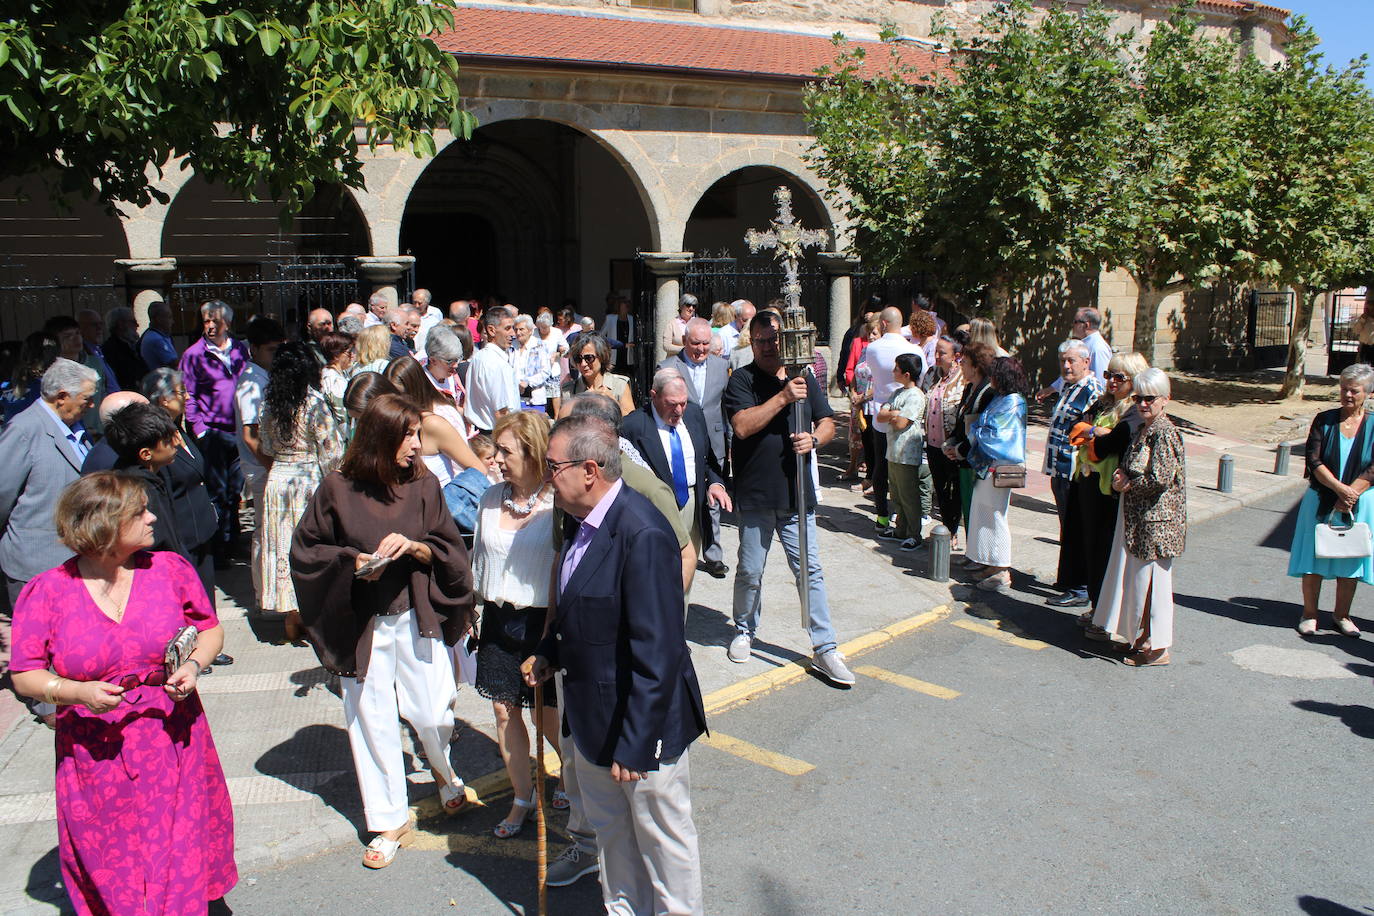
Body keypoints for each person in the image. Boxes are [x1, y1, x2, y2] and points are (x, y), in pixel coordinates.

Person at [10, 472, 236, 914]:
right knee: (114, 858)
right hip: (96, 750)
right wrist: (74, 691)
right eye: (140, 512)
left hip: (173, 735)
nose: (153, 517)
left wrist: (192, 665)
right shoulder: (48, 592)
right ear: (105, 525)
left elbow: (210, 629)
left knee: (178, 849)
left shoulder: (169, 570)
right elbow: (24, 675)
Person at [523, 413, 707, 915]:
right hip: (593, 722)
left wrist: (638, 741)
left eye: (552, 466)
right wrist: (549, 654)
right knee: (613, 838)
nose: (546, 477)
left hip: (639, 729)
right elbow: (589, 613)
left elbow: (659, 651)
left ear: (588, 470)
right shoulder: (580, 522)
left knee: (661, 839)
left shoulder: (642, 532)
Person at [291, 394, 474, 867]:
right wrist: (354, 562)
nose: (417, 444)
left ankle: (443, 770)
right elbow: (308, 552)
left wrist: (414, 548)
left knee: (433, 711)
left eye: (417, 433)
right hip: (363, 622)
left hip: (416, 616)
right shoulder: (337, 487)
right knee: (370, 718)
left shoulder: (425, 483)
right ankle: (388, 818)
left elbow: (448, 549)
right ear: (379, 438)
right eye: (408, 435)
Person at [723, 312, 853, 685]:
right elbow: (742, 426)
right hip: (758, 494)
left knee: (809, 572)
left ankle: (825, 647)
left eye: (773, 339)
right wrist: (783, 397)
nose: (768, 347)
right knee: (750, 570)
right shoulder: (743, 380)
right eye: (760, 340)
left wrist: (816, 439)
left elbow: (827, 421)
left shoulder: (805, 376)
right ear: (752, 341)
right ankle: (744, 629)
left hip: (797, 495)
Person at [470, 411, 563, 838]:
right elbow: (478, 560)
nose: (496, 459)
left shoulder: (557, 503)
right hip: (497, 619)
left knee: (548, 717)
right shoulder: (490, 498)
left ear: (533, 452)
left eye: (505, 451)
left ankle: (575, 782)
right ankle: (523, 796)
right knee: (504, 713)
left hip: (541, 624)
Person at [1092, 368, 1186, 666]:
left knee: (1155, 586)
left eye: (1149, 398)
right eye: (1139, 398)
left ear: (1165, 399)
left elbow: (1160, 478)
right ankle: (1141, 638)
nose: (1143, 404)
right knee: (1140, 584)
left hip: (1158, 524)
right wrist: (1123, 477)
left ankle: (1157, 648)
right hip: (1139, 519)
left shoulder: (1165, 432)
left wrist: (1128, 484)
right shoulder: (1145, 428)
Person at [260, 342, 346, 642]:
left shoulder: (270, 404)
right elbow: (332, 452)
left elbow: (266, 446)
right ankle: (310, 614)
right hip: (307, 480)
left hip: (277, 480)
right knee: (307, 547)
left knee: (280, 546)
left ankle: (289, 617)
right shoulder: (314, 403)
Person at [1063, 353, 1150, 630]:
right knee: (1088, 547)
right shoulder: (1103, 403)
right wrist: (1094, 432)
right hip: (1087, 483)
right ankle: (1096, 607)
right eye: (1109, 375)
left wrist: (1093, 435)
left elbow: (1110, 444)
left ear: (1134, 381)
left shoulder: (1134, 410)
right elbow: (1072, 427)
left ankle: (1105, 614)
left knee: (1104, 552)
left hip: (1109, 493)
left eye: (1119, 377)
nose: (1111, 382)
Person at [0, 359, 98, 608]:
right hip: (37, 566)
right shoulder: (24, 430)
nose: (92, 404)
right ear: (62, 396)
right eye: (86, 398)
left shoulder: (74, 425)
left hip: (77, 558)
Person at [1289, 363, 1374, 636]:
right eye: (1344, 389)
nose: (1348, 395)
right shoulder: (1324, 420)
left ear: (1368, 393)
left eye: (1354, 390)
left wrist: (1352, 494)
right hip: (1322, 496)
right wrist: (1340, 490)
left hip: (1359, 500)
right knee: (1314, 557)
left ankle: (1342, 615)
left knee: (1350, 556)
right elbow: (1314, 460)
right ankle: (1310, 613)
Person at [622, 368, 731, 565]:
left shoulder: (694, 414)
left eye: (683, 403)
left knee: (687, 567)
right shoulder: (633, 426)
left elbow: (708, 460)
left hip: (694, 505)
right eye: (672, 404)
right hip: (657, 507)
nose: (679, 411)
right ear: (654, 396)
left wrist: (715, 484)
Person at [659, 317, 732, 578]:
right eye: (695, 343)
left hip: (714, 440)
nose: (700, 349)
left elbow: (726, 407)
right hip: (680, 440)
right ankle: (677, 549)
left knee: (713, 496)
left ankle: (713, 555)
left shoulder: (722, 366)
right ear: (684, 341)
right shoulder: (668, 366)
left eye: (705, 343)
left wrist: (730, 439)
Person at [143, 367, 222, 607]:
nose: (187, 397)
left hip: (202, 532)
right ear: (164, 399)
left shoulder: (178, 429)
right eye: (182, 392)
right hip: (183, 538)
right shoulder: (157, 441)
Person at [178, 300, 249, 566]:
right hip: (214, 433)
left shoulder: (240, 350)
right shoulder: (194, 355)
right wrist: (200, 430)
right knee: (217, 492)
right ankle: (219, 548)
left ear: (227, 324)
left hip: (239, 430)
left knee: (235, 491)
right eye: (205, 321)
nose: (209, 326)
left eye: (214, 321)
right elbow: (189, 395)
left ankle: (233, 542)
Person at [1043, 340, 1105, 606]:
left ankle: (1080, 588)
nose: (1066, 366)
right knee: (1067, 528)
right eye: (1063, 361)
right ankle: (1070, 579)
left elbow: (1091, 431)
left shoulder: (1092, 391)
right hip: (1060, 468)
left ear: (1086, 362)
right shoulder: (1069, 387)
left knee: (1075, 529)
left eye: (1072, 361)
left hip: (1074, 470)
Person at [961, 356, 1029, 592]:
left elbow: (999, 435)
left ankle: (1002, 569)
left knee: (995, 517)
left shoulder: (1013, 401)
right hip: (986, 466)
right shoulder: (1001, 398)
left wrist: (977, 430)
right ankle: (988, 561)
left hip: (998, 466)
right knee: (983, 514)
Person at [234, 317, 285, 609]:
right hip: (262, 468)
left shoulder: (264, 375)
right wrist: (271, 467)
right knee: (265, 533)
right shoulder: (251, 382)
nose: (275, 356)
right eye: (270, 350)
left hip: (268, 465)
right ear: (253, 348)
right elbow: (250, 435)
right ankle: (263, 596)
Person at [865, 307, 925, 533]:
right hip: (898, 415)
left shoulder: (873, 349)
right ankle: (901, 518)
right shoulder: (913, 349)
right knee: (901, 472)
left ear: (882, 324)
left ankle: (883, 515)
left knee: (882, 467)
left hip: (883, 414)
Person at [386, 355, 484, 488]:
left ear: (415, 390)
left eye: (400, 395)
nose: (395, 403)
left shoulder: (435, 421)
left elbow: (477, 469)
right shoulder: (395, 420)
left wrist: (450, 499)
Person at [943, 341, 997, 551]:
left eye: (964, 362)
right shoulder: (969, 388)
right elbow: (961, 422)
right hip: (963, 459)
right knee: (968, 508)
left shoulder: (989, 392)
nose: (960, 366)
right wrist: (952, 443)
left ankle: (979, 553)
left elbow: (981, 430)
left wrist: (960, 450)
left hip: (977, 462)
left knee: (979, 511)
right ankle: (973, 551)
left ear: (976, 366)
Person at [877, 353, 928, 550]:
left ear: (906, 374)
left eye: (896, 369)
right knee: (897, 494)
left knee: (909, 496)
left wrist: (893, 415)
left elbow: (901, 423)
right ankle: (900, 530)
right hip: (894, 451)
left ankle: (914, 533)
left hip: (907, 453)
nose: (893, 372)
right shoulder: (898, 393)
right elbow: (881, 415)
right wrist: (893, 414)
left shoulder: (916, 396)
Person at [923, 335, 966, 548]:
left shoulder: (963, 378)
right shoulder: (931, 374)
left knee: (954, 489)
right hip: (932, 443)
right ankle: (947, 528)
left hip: (952, 444)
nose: (937, 356)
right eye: (936, 352)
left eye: (943, 353)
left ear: (956, 356)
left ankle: (953, 530)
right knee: (939, 488)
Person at [465, 306, 520, 435]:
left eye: (513, 327)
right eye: (507, 328)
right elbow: (501, 412)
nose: (513, 333)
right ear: (491, 330)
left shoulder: (478, 357)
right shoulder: (496, 363)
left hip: (485, 434)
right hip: (497, 434)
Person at [559, 333, 634, 417]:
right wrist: (579, 403)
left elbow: (630, 422)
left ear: (602, 357)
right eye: (578, 359)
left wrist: (612, 401)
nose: (583, 364)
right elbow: (563, 424)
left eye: (589, 358)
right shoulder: (568, 390)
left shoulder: (619, 385)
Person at [512, 313, 554, 411]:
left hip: (534, 399)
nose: (518, 333)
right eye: (516, 329)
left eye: (521, 329)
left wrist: (527, 382)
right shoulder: (511, 347)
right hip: (514, 398)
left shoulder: (540, 346)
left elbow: (546, 372)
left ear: (530, 331)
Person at [102, 306, 147, 392]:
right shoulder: (110, 349)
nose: (137, 325)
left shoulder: (133, 346)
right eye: (133, 322)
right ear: (121, 324)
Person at [318, 330, 356, 423]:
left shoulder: (339, 373)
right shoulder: (333, 380)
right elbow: (342, 416)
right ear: (336, 355)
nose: (352, 355)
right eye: (349, 352)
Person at [138, 300, 180, 370]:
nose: (172, 322)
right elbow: (174, 363)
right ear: (159, 319)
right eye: (169, 317)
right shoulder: (156, 339)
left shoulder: (152, 335)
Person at [410, 288, 444, 359]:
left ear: (427, 303)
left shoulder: (435, 313)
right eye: (414, 302)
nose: (416, 306)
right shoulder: (409, 313)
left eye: (420, 303)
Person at [1350, 292, 1374, 365]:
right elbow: (1356, 331)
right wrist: (1363, 319)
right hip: (1365, 347)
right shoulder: (1364, 319)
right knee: (1363, 368)